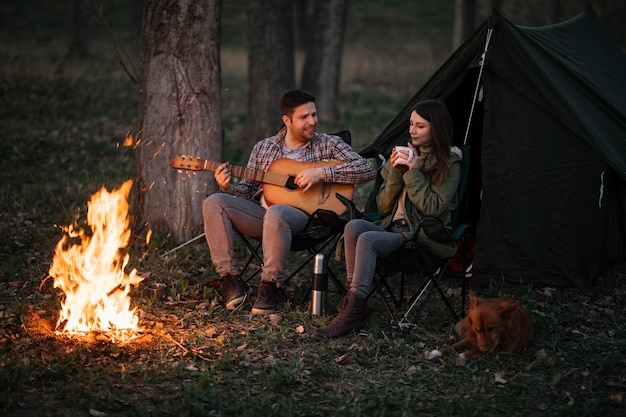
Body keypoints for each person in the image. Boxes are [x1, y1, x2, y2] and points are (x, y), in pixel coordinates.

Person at [202, 89, 375, 315]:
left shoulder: (329, 144)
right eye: (304, 117)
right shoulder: (264, 148)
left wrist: (322, 174)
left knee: (278, 212)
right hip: (262, 218)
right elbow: (246, 191)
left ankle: (269, 286)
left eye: (314, 114)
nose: (312, 122)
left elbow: (367, 169)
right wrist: (227, 187)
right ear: (287, 120)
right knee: (214, 202)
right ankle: (231, 281)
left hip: (307, 221)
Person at [312, 100, 463, 339]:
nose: (412, 131)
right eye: (411, 124)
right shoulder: (405, 154)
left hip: (421, 235)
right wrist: (395, 172)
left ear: (437, 128)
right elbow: (383, 208)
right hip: (392, 227)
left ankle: (352, 311)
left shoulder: (449, 162)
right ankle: (356, 306)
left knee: (369, 240)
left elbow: (433, 208)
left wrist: (414, 171)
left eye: (420, 126)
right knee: (353, 226)